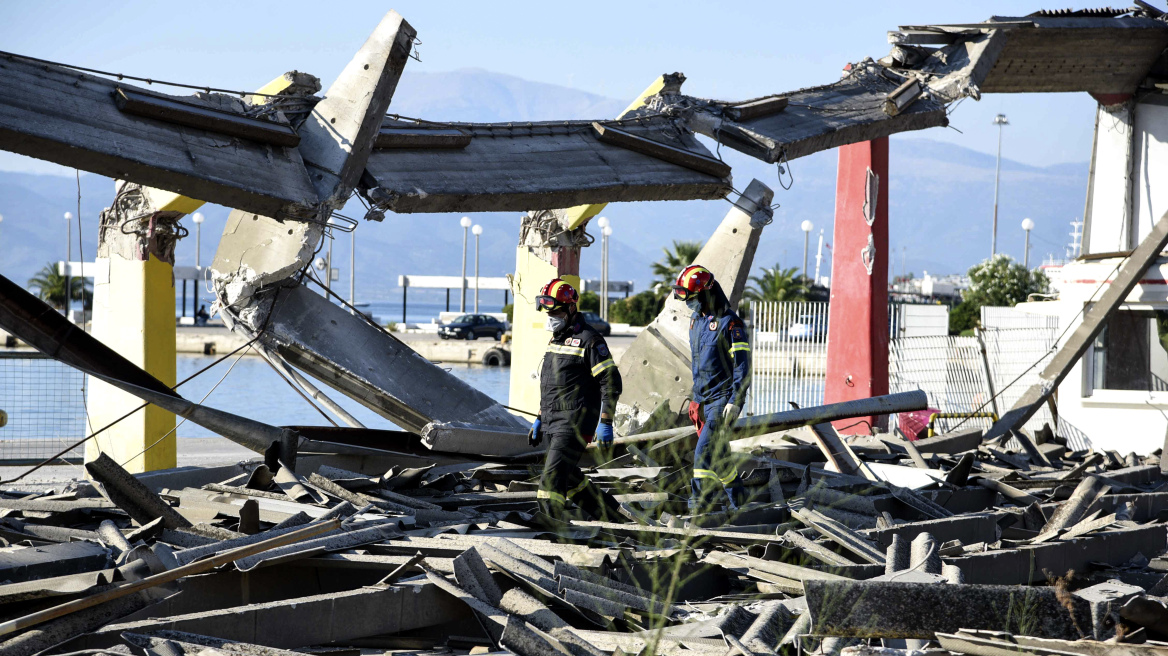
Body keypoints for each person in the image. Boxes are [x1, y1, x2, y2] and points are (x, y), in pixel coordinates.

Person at [528, 278, 624, 522]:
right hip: (552, 420)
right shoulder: (556, 339)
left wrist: (606, 421)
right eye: (549, 312)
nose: (552, 316)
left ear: (571, 309)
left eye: (557, 311)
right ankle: (613, 516)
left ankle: (552, 529)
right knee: (569, 478)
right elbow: (552, 385)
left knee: (550, 483)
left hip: (573, 424)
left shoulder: (590, 340)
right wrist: (540, 418)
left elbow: (611, 381)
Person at [672, 264, 751, 512]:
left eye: (693, 298)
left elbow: (742, 367)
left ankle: (698, 511)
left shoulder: (731, 324)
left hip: (721, 402)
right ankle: (741, 503)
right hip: (702, 402)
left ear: (706, 293)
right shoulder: (696, 322)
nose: (690, 304)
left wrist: (736, 400)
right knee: (720, 459)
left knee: (702, 456)